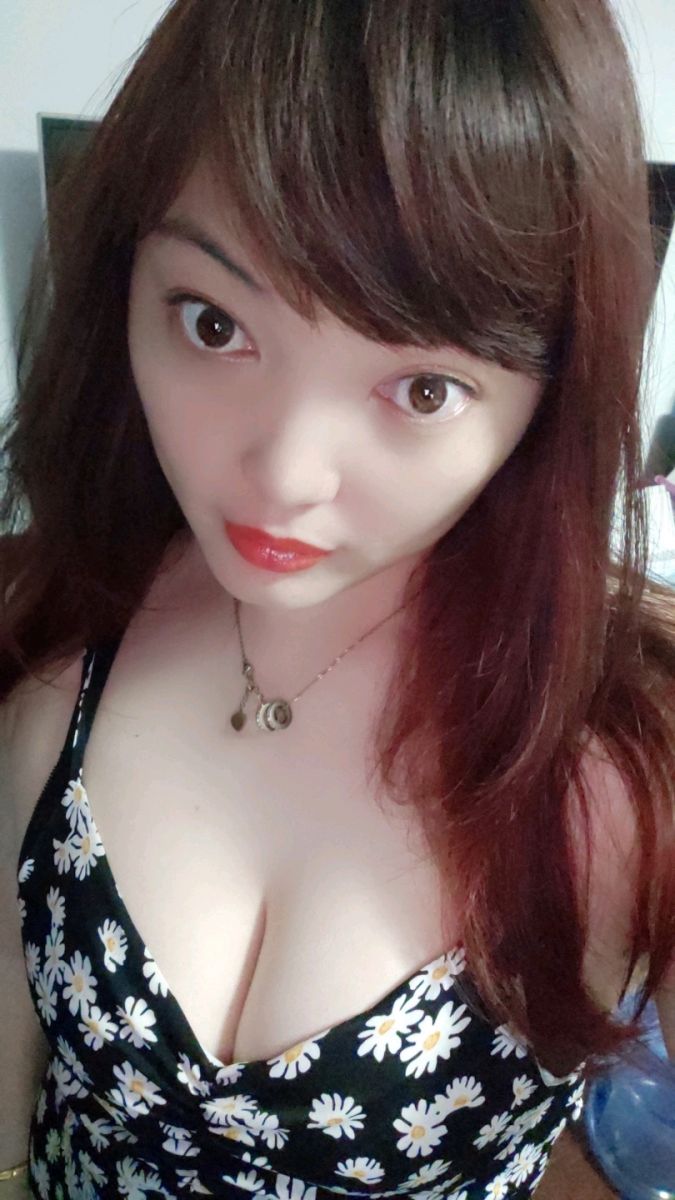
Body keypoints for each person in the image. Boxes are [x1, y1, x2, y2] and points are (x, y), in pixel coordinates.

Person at [1, 1, 674, 1197]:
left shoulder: (626, 772)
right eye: (215, 324)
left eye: (422, 389)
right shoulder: (64, 637)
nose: (284, 475)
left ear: (547, 398)